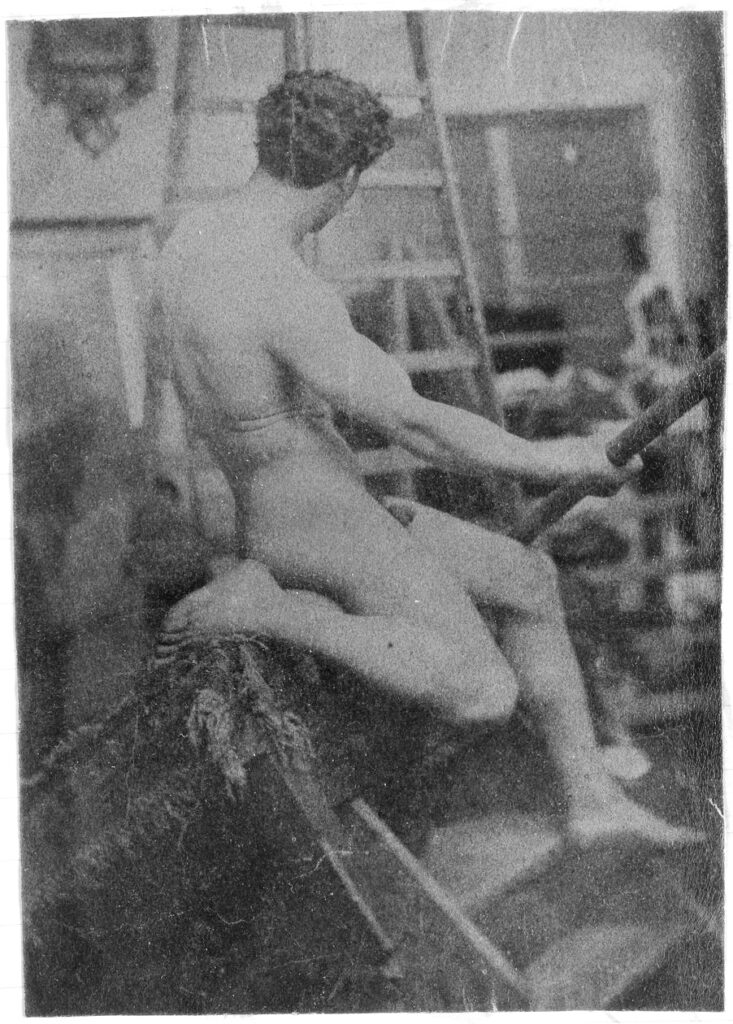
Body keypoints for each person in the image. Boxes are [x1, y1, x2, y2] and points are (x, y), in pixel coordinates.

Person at [153, 70, 699, 848]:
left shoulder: (188, 240)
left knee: (525, 579)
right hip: (318, 529)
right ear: (345, 179)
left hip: (301, 508)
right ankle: (270, 609)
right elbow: (415, 426)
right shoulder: (280, 285)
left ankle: (591, 801)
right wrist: (556, 459)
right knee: (481, 690)